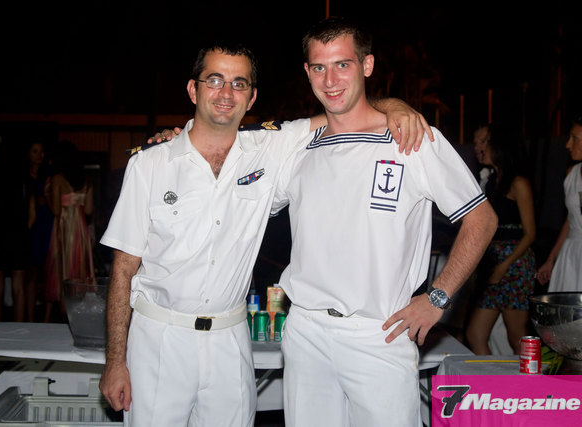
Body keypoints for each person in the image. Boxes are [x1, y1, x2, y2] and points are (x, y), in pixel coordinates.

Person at [99, 42, 430, 426]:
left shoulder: (271, 147)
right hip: (159, 339)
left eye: (239, 84)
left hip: (230, 340)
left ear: (252, 97)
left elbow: (344, 110)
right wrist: (115, 361)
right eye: (214, 80)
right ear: (193, 90)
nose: (226, 93)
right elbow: (123, 270)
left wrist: (395, 107)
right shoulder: (150, 164)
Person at [271, 17, 497, 426]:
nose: (330, 80)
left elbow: (481, 219)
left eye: (343, 64)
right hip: (305, 331)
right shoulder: (296, 148)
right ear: (307, 72)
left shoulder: (412, 138)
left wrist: (438, 298)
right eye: (319, 67)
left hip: (380, 334)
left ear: (367, 65)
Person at [465, 124, 537, 355]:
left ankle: (531, 378)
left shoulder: (518, 182)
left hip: (514, 265)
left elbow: (531, 233)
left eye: (486, 143)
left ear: (499, 147)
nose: (481, 148)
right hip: (494, 263)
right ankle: (495, 378)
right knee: (475, 334)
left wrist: (504, 266)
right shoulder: (492, 181)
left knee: (516, 337)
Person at [44, 140, 95, 322]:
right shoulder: (86, 179)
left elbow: (56, 211)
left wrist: (47, 195)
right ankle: (78, 316)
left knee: (63, 268)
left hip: (64, 228)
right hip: (80, 230)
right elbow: (88, 210)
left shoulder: (57, 179)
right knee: (79, 269)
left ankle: (63, 315)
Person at [0, 140, 33, 322]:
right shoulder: (25, 179)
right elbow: (32, 216)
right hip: (18, 234)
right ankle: (19, 326)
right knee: (18, 286)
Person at [537, 116, 582, 291]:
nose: (568, 145)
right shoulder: (571, 173)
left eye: (574, 138)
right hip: (571, 252)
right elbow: (570, 221)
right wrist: (551, 259)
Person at [26, 141, 53, 322]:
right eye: (35, 151)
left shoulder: (48, 173)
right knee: (31, 272)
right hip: (31, 226)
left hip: (47, 222)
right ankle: (29, 317)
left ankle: (46, 318)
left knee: (49, 271)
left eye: (41, 151)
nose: (39, 155)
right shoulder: (23, 175)